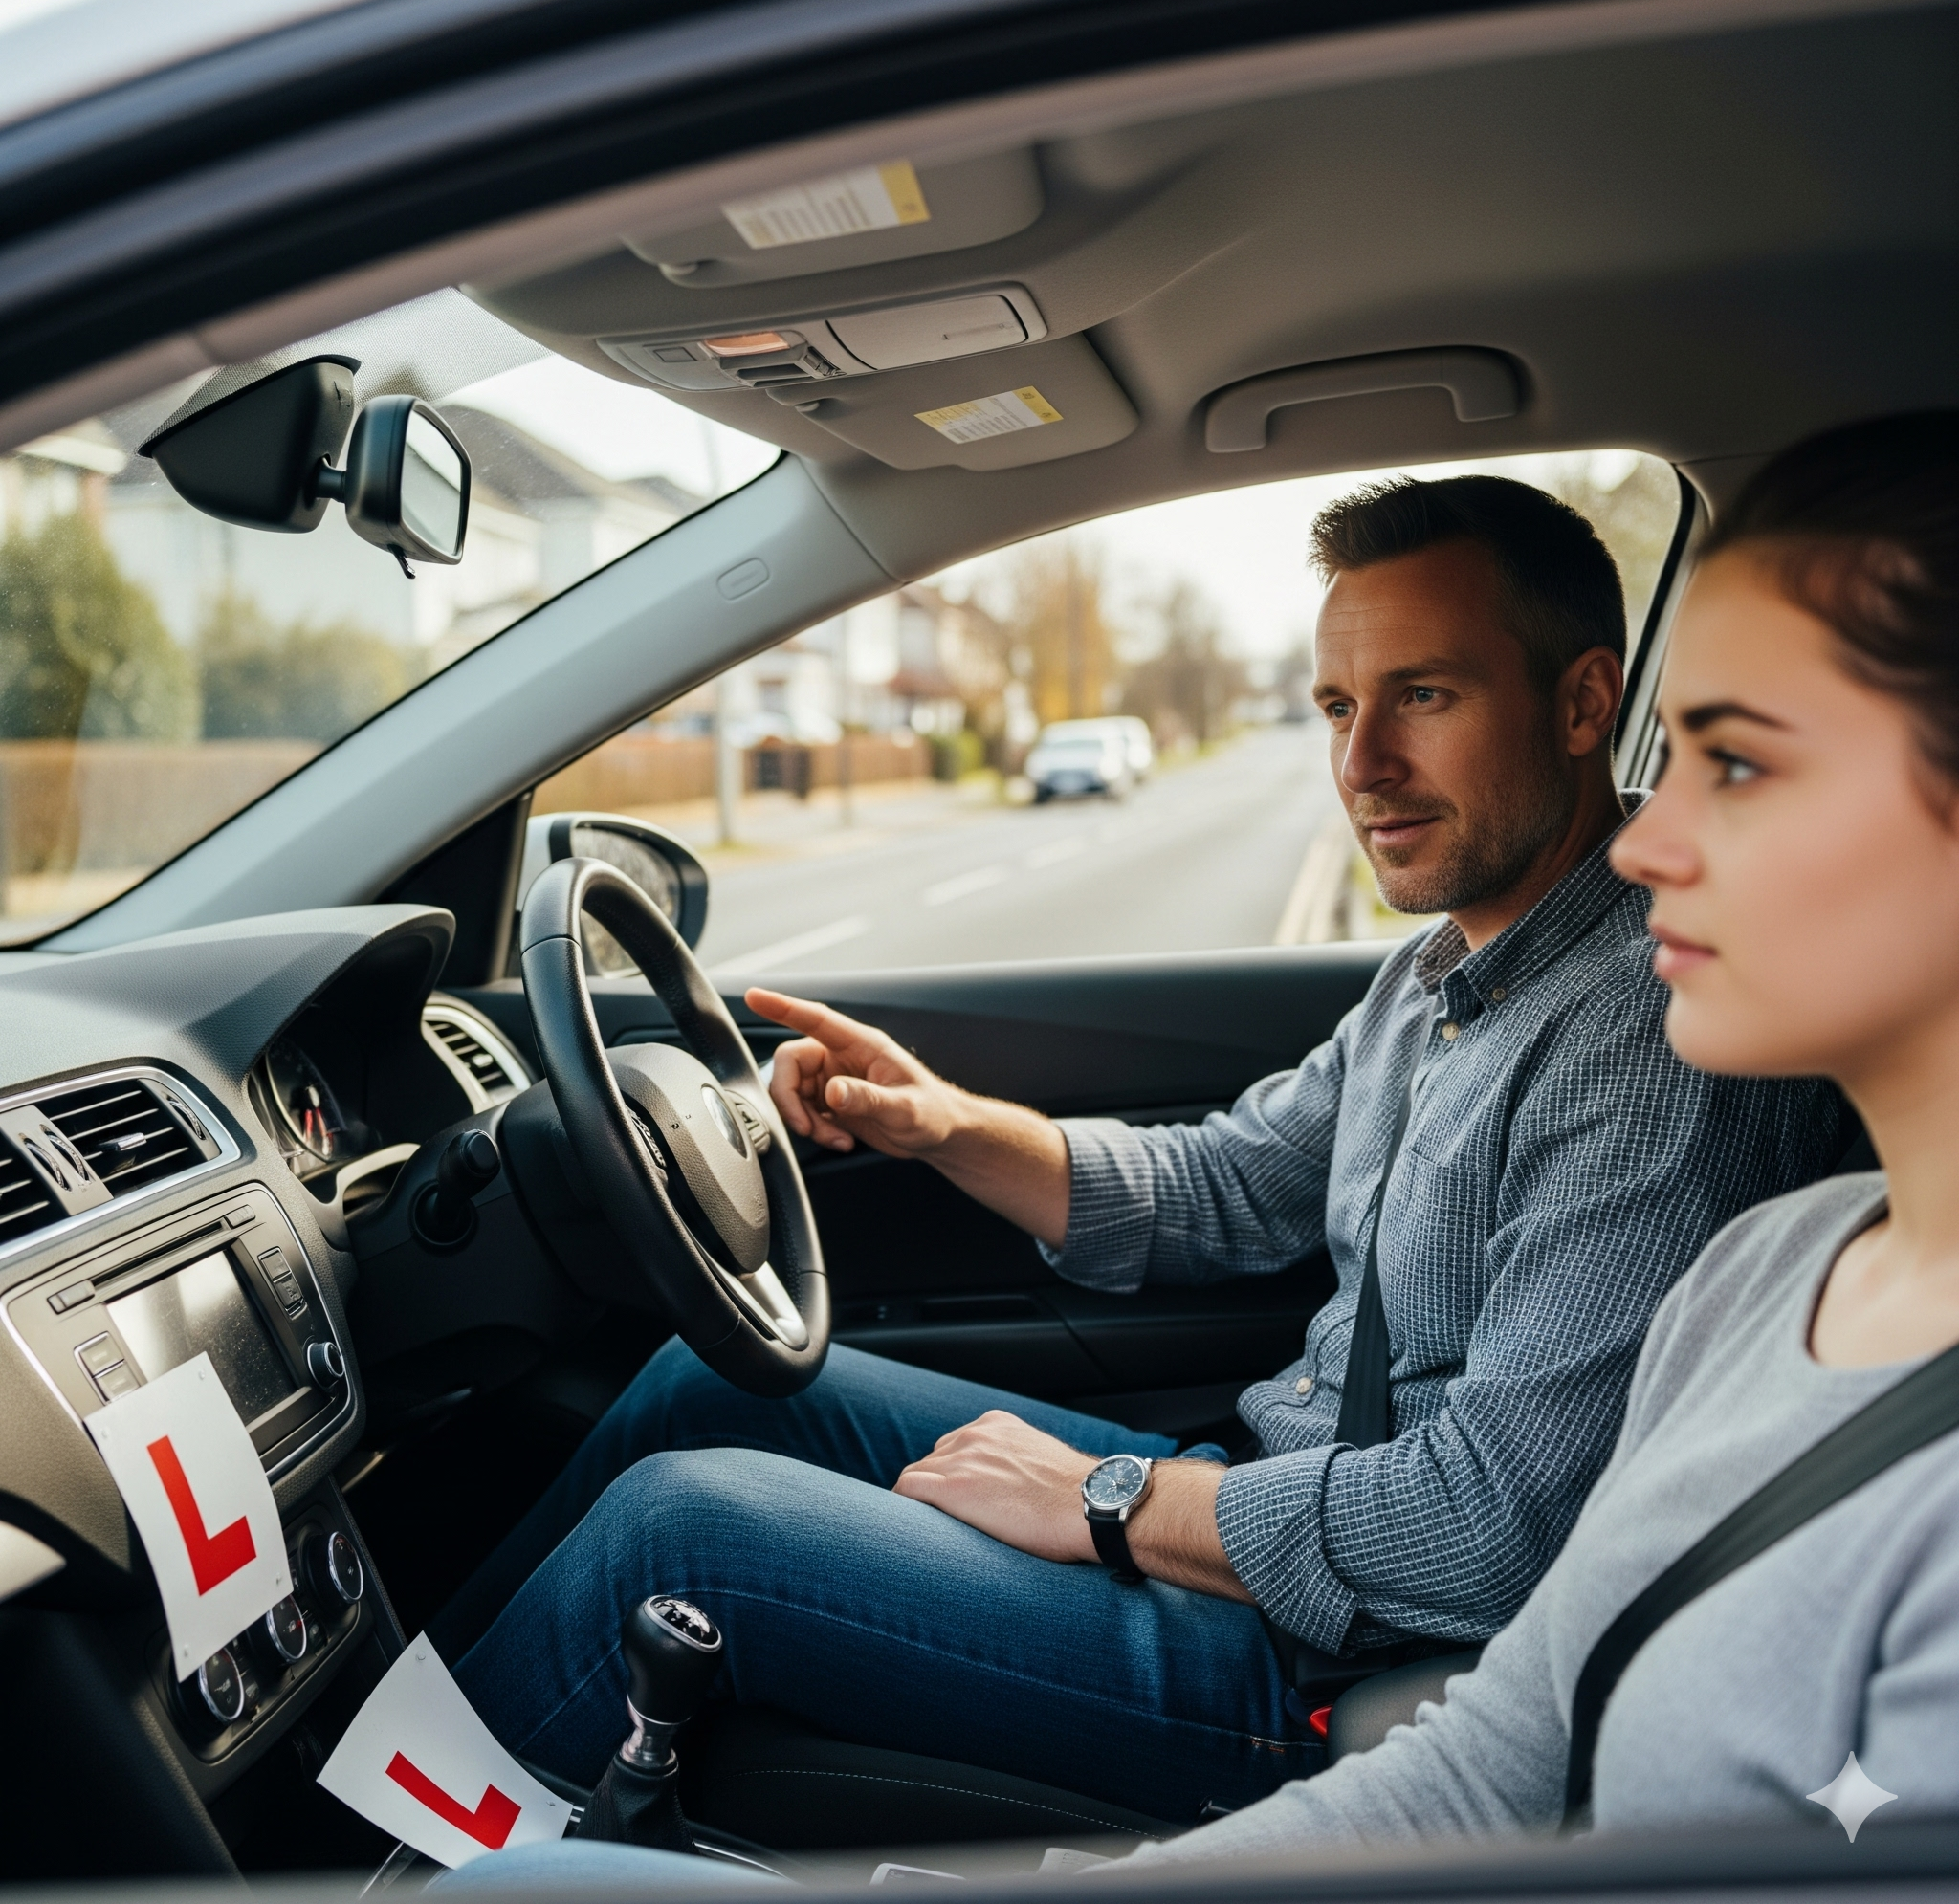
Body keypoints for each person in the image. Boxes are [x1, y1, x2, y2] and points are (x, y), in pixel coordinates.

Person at [437, 476, 1845, 1823]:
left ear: (1587, 700)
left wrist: (1115, 1501)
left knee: (677, 1532)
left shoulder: (1652, 1040)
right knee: (706, 1386)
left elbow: (1485, 1534)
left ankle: (361, 1849)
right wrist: (940, 1123)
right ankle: (399, 1727)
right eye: (1340, 707)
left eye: (1424, 695)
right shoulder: (1436, 981)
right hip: (1268, 1506)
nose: (1362, 766)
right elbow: (1228, 1183)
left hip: (1336, 1668)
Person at [1121, 408, 1959, 1860]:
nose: (1642, 843)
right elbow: (1496, 1757)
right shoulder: (1774, 1270)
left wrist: (1116, 1497)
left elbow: (1491, 1543)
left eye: (1740, 763)